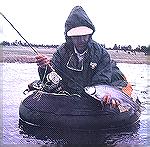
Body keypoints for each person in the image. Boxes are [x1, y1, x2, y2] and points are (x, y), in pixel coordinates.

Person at [36, 6, 132, 108]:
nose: (81, 40)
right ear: (69, 36)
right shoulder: (61, 53)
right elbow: (52, 80)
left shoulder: (101, 54)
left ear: (90, 34)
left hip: (92, 96)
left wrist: (106, 97)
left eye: (84, 35)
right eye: (76, 36)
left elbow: (101, 82)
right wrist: (44, 67)